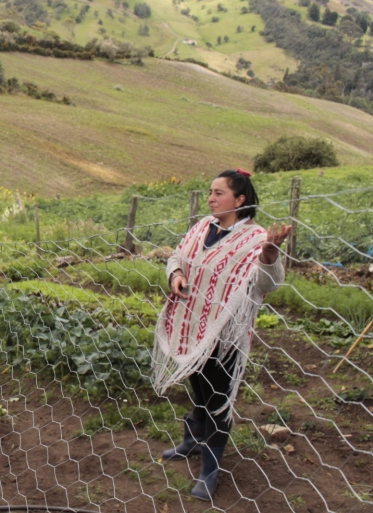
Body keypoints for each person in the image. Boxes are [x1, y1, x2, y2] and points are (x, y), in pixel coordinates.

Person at [151, 170, 290, 501]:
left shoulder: (254, 238)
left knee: (217, 400)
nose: (211, 198)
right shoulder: (203, 226)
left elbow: (266, 285)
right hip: (190, 327)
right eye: (210, 192)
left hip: (224, 335)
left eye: (219, 193)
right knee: (197, 386)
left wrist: (270, 254)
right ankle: (192, 441)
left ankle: (210, 469)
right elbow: (177, 256)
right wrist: (176, 275)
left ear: (240, 200)